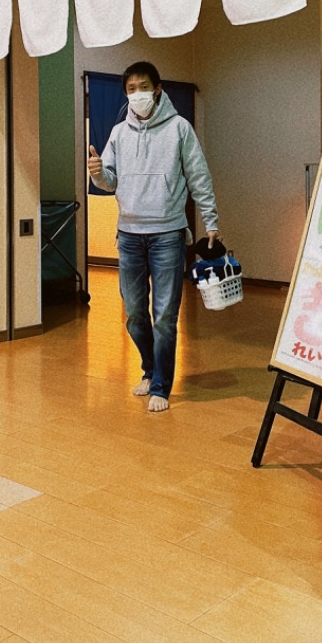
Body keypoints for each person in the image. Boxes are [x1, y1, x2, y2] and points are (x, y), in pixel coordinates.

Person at [88, 61, 220, 412]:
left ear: (158, 89)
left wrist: (211, 221)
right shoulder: (118, 133)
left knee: (164, 315)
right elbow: (111, 182)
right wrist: (99, 175)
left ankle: (161, 384)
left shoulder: (179, 128)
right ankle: (150, 368)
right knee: (134, 312)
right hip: (129, 234)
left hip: (168, 234)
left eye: (143, 87)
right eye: (130, 90)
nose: (137, 95)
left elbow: (199, 176)